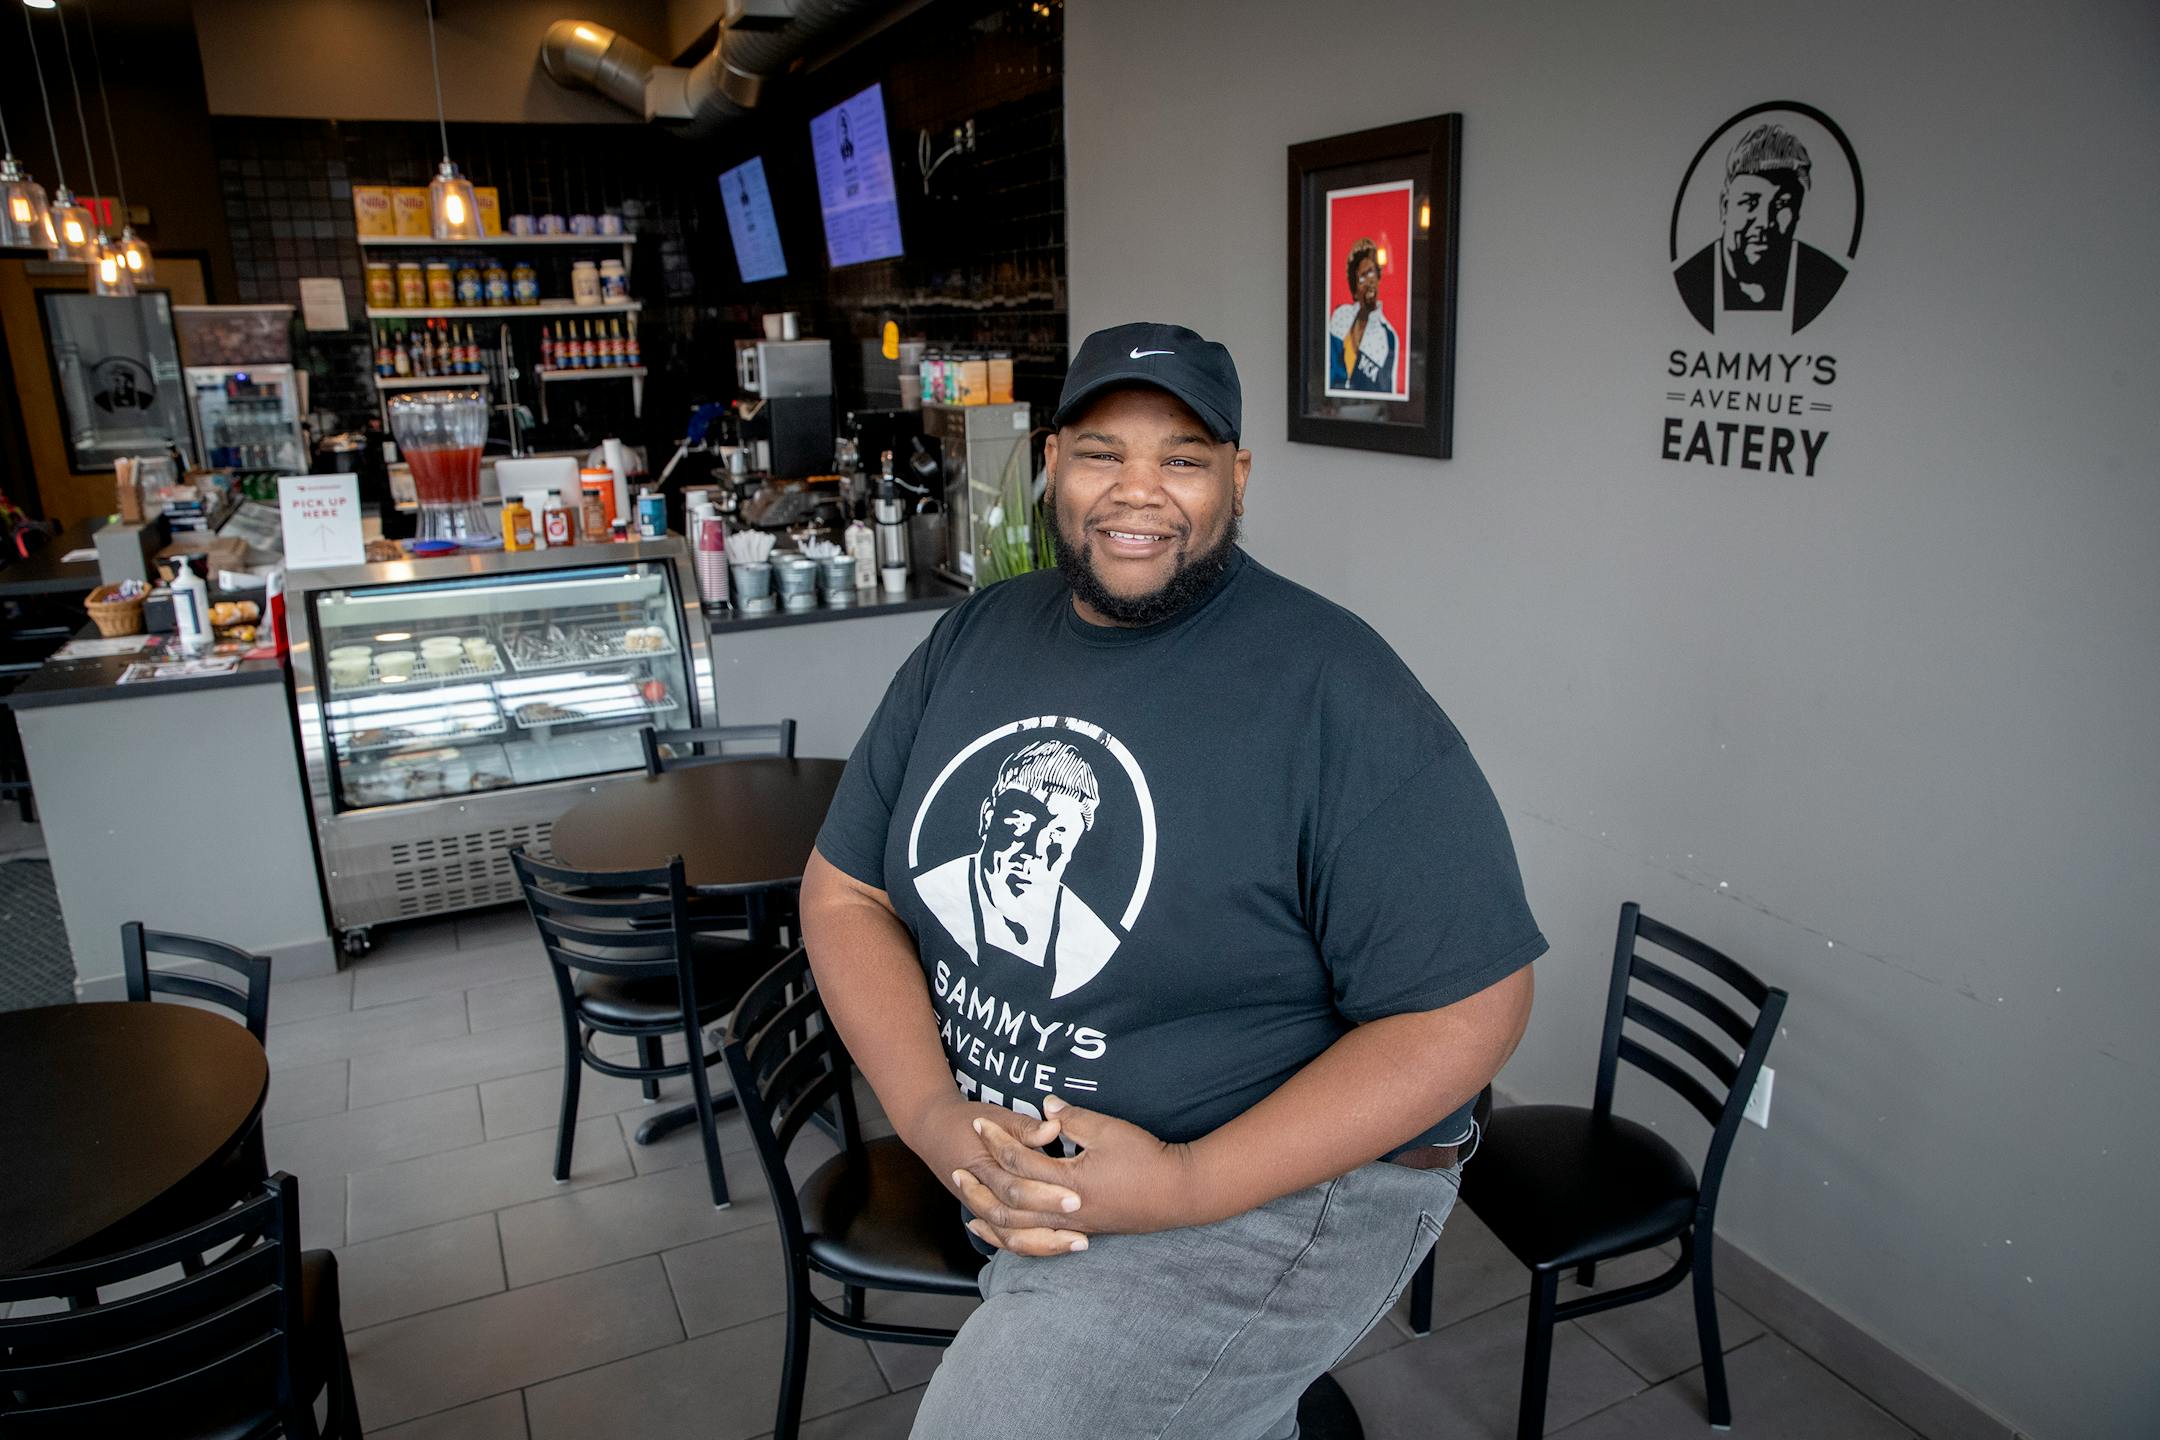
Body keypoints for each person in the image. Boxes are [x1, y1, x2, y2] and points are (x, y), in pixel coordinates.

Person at [803, 320, 1543, 1439]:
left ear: (1237, 480)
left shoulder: (1334, 687)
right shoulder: (977, 636)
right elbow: (845, 893)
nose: (1135, 493)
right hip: (1023, 1162)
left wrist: (1189, 1184)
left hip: (1285, 1188)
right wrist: (937, 1119)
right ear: (1053, 462)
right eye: (1102, 451)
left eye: (1183, 458)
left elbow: (1472, 1004)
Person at [1673, 121, 1849, 334]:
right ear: (1725, 207)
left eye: (1782, 204)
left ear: (1798, 212)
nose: (1764, 222)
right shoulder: (1689, 280)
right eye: (1750, 202)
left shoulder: (1826, 280)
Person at [1326, 238, 1400, 393]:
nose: (1369, 281)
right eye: (1362, 277)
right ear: (1355, 289)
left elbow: (1386, 393)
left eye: (1372, 273)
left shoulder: (1388, 337)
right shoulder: (1340, 316)